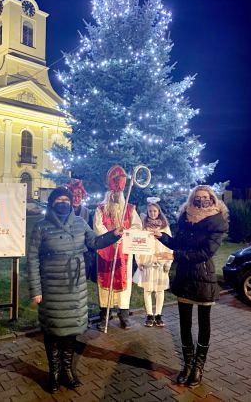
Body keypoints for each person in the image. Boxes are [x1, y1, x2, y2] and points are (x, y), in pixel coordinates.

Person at [27, 186, 122, 393]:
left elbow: (95, 242)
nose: (64, 203)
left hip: (74, 287)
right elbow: (32, 259)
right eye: (59, 200)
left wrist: (114, 235)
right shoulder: (41, 227)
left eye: (66, 200)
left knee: (70, 331)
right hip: (51, 287)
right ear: (52, 203)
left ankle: (67, 371)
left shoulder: (79, 223)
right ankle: (53, 372)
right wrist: (36, 289)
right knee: (52, 331)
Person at [155, 185, 229, 387]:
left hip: (203, 277)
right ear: (192, 199)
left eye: (205, 197)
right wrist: (162, 237)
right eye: (197, 197)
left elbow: (206, 253)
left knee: (204, 324)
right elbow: (177, 244)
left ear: (212, 199)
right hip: (185, 278)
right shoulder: (185, 218)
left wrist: (176, 255)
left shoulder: (217, 221)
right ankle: (187, 364)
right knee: (184, 324)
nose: (201, 200)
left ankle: (198, 367)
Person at [93, 165, 142, 330]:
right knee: (104, 284)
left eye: (117, 193)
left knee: (124, 284)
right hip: (105, 252)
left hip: (124, 253)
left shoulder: (130, 209)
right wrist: (112, 237)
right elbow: (98, 227)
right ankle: (104, 315)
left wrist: (125, 235)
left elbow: (137, 227)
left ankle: (123, 315)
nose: (115, 196)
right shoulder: (101, 209)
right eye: (113, 193)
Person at [133, 197, 174, 327]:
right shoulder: (144, 227)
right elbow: (138, 244)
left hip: (160, 260)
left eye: (155, 211)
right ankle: (149, 315)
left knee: (160, 290)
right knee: (148, 289)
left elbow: (169, 245)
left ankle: (159, 314)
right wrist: (138, 259)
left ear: (159, 212)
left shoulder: (164, 227)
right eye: (150, 211)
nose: (152, 213)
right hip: (147, 261)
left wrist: (168, 262)